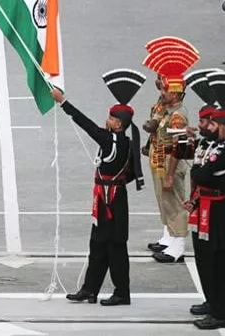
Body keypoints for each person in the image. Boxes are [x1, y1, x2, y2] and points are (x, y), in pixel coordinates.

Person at [57, 69, 145, 307]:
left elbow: (86, 125)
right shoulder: (127, 142)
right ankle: (90, 289)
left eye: (110, 118)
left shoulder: (110, 140)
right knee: (98, 244)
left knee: (115, 247)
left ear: (118, 123)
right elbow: (129, 173)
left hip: (110, 200)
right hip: (113, 196)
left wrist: (63, 102)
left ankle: (122, 292)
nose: (107, 120)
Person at [184, 108, 225, 330]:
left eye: (212, 124)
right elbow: (196, 170)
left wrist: (198, 170)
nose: (207, 127)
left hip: (216, 208)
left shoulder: (223, 151)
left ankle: (221, 313)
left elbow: (200, 174)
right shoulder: (209, 146)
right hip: (203, 203)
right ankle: (212, 302)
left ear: (222, 128)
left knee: (217, 261)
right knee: (203, 258)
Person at [142, 38, 198, 263]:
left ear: (174, 93)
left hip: (170, 163)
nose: (162, 91)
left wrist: (171, 174)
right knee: (164, 201)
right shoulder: (167, 108)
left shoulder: (177, 116)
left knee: (175, 203)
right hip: (160, 159)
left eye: (166, 89)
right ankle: (169, 238)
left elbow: (179, 147)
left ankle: (178, 246)